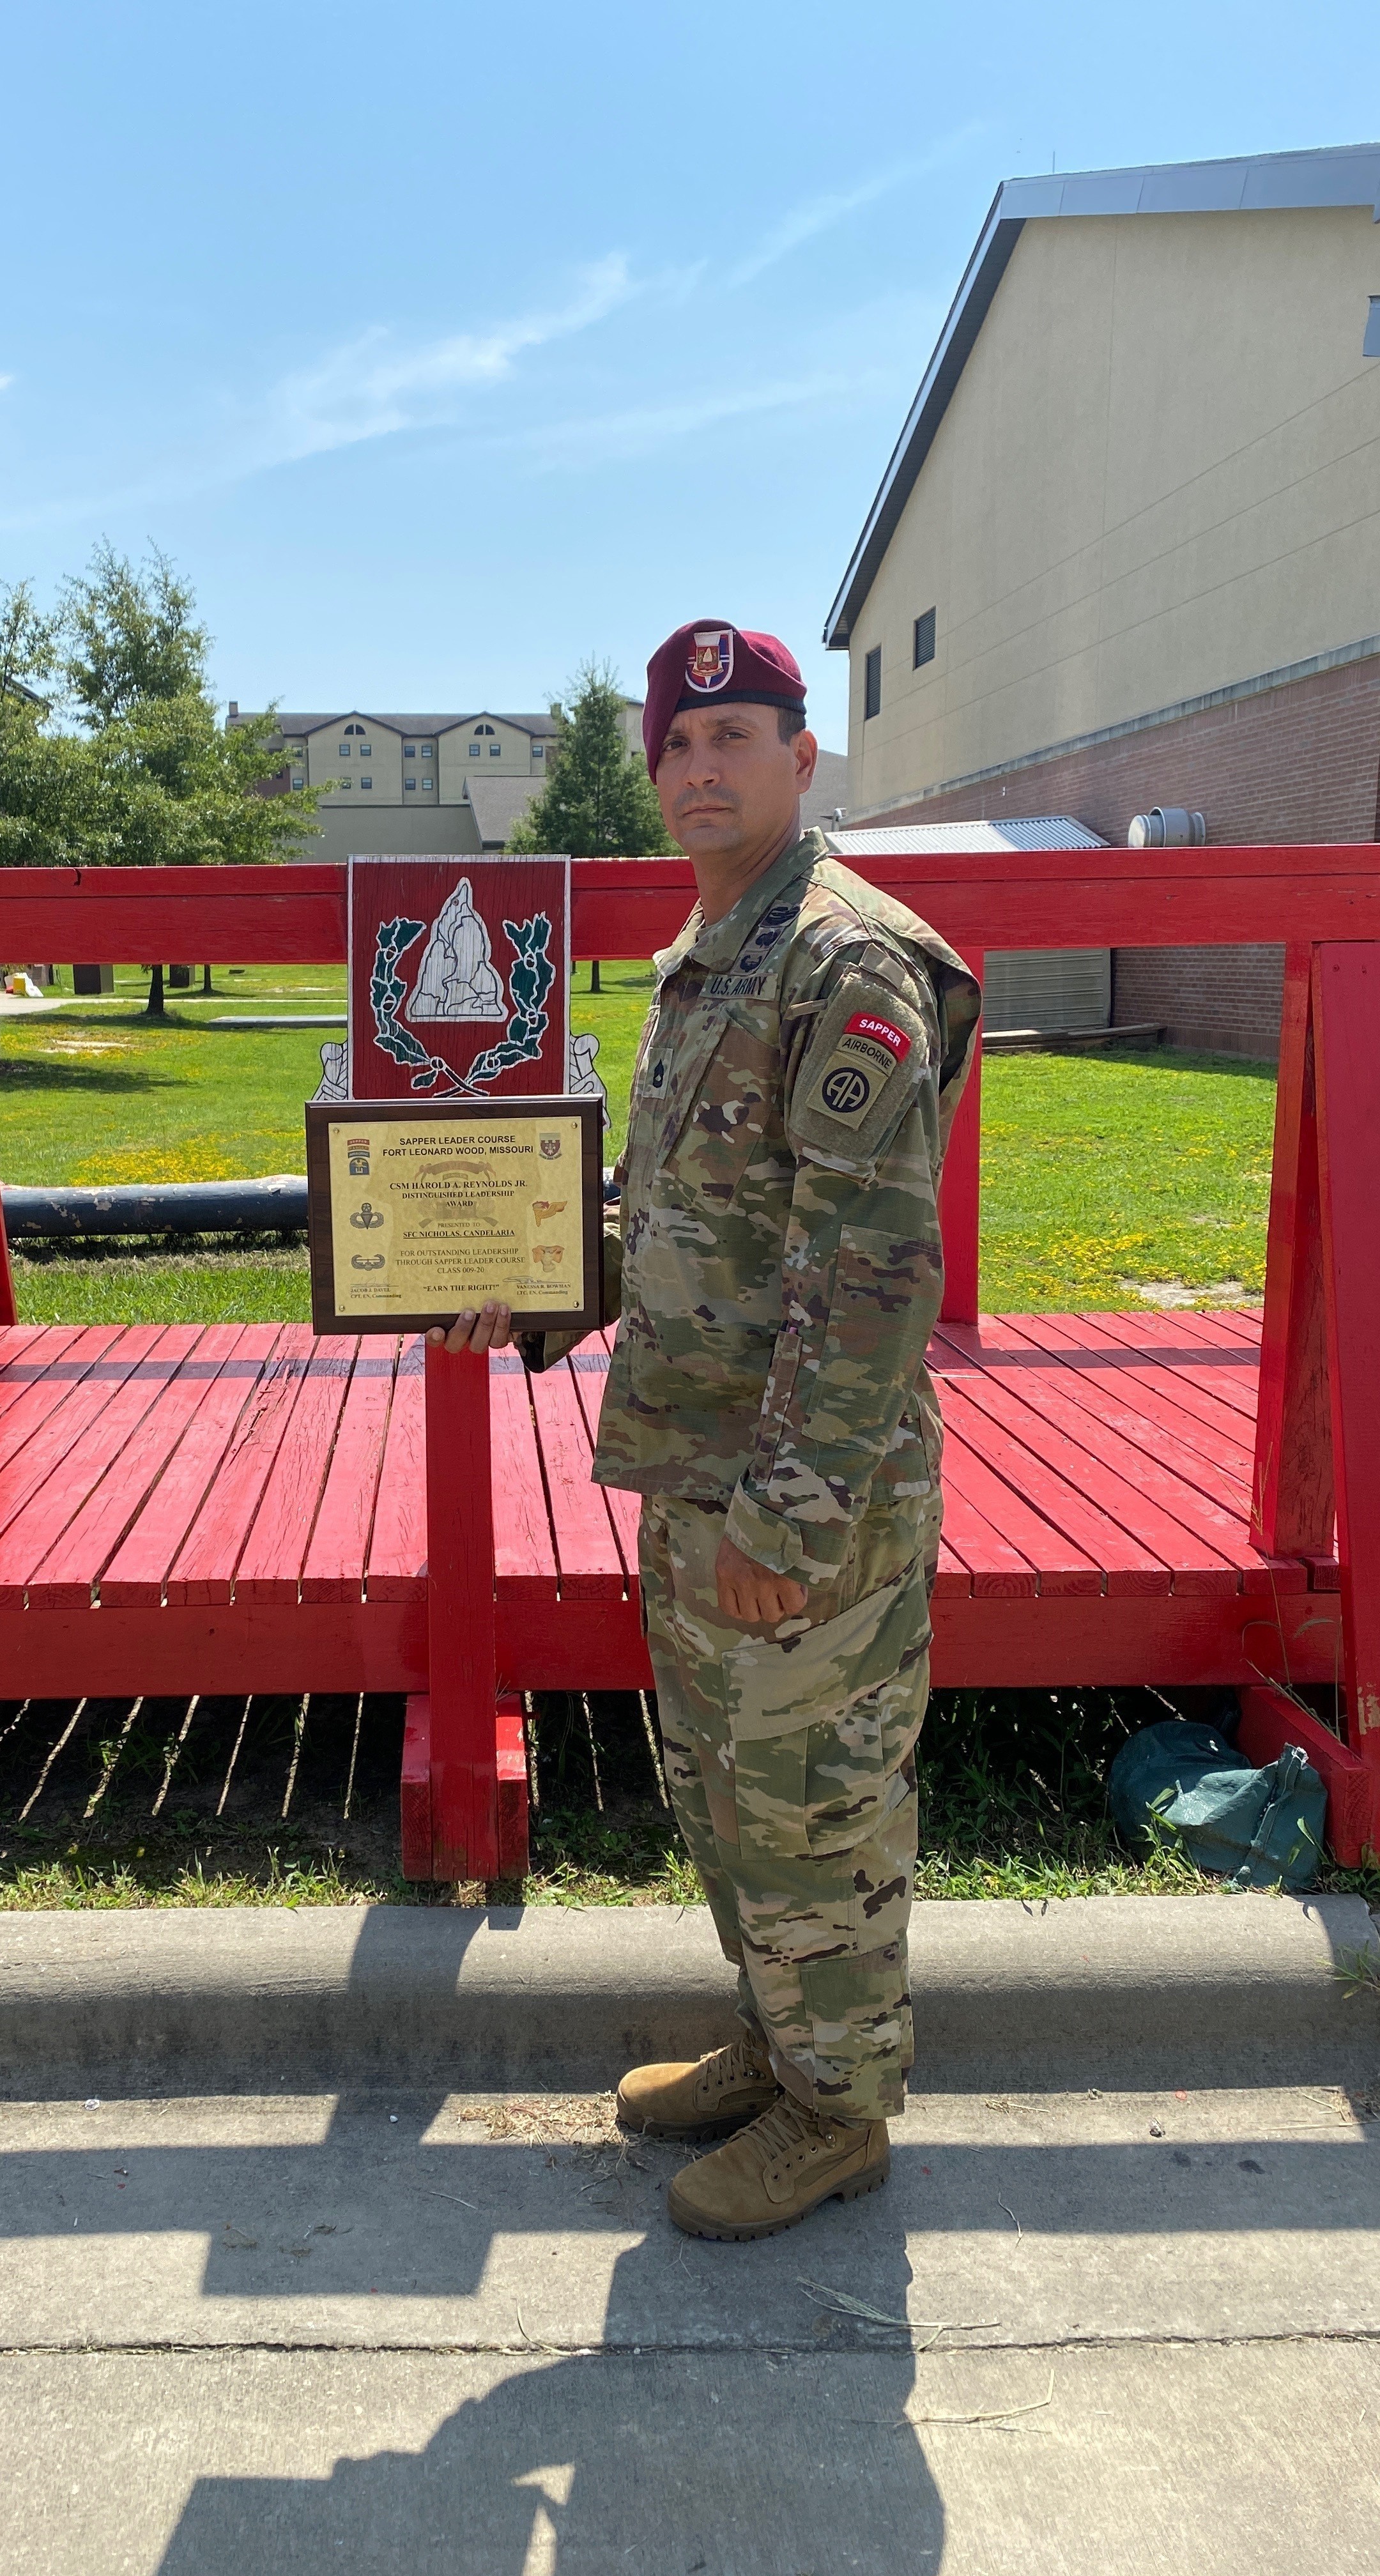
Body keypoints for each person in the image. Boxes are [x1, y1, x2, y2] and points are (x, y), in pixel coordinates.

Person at [430, 620, 979, 2243]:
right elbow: (680, 1212)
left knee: (811, 1803)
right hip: (703, 1468)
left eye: (735, 736)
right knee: (725, 1795)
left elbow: (871, 1278)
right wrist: (530, 1290)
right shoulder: (711, 955)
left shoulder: (843, 959)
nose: (698, 767)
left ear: (804, 761)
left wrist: (785, 1519)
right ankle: (779, 2043)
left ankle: (838, 2117)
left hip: (806, 1494)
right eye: (677, 742)